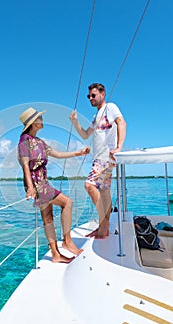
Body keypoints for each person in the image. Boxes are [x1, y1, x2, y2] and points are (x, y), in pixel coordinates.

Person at [18, 107, 90, 263]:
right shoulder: (25, 141)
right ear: (33, 123)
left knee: (48, 218)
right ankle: (67, 241)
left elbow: (58, 154)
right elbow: (25, 165)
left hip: (43, 182)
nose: (42, 120)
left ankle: (56, 254)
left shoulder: (40, 142)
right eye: (39, 118)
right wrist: (30, 187)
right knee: (67, 203)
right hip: (37, 184)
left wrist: (79, 153)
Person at [69, 83, 126, 238]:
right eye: (89, 96)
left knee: (89, 186)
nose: (90, 98)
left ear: (102, 94)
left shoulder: (111, 108)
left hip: (106, 157)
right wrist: (75, 122)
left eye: (93, 95)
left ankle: (104, 224)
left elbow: (122, 123)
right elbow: (85, 134)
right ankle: (104, 228)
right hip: (98, 158)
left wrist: (119, 147)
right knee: (104, 192)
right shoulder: (96, 116)